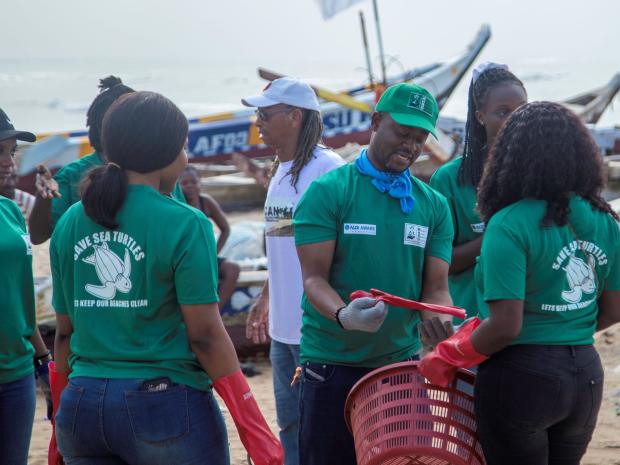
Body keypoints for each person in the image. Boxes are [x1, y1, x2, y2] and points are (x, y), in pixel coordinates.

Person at [48, 91, 282, 465]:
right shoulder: (186, 222)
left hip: (82, 406)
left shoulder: (72, 220)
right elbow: (205, 336)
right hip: (162, 407)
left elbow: (64, 332)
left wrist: (59, 422)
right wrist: (253, 428)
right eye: (185, 147)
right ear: (169, 152)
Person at [420, 101, 620, 465]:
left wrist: (448, 354)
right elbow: (613, 309)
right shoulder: (605, 220)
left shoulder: (509, 224)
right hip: (585, 376)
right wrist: (563, 328)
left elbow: (505, 326)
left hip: (522, 378)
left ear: (511, 157)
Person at [292, 82, 455, 465]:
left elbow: (436, 288)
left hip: (400, 367)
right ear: (376, 121)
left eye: (419, 138)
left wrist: (436, 317)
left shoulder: (433, 205)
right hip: (331, 365)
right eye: (402, 133)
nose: (411, 146)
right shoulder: (330, 191)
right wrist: (343, 316)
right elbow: (314, 279)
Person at [242, 77, 344, 465]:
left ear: (295, 116)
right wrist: (266, 297)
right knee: (290, 427)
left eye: (265, 114)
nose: (258, 121)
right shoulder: (280, 171)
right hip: (282, 330)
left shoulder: (327, 169)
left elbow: (341, 253)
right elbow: (282, 246)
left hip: (314, 331)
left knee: (320, 428)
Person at [28, 76, 186, 244]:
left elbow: (182, 228)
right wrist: (43, 200)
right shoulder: (71, 175)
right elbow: (38, 236)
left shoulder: (160, 170)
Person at [429, 63, 527, 320]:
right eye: (502, 112)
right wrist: (496, 235)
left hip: (531, 323)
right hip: (471, 320)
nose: (514, 121)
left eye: (522, 111)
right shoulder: (449, 179)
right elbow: (438, 264)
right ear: (480, 116)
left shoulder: (541, 175)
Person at [0, 108, 53, 465]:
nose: (9, 161)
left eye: (11, 151)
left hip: (17, 373)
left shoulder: (10, 211)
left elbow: (20, 293)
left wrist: (43, 359)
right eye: (0, 151)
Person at [179, 164, 241, 310]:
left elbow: (225, 229)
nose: (190, 186)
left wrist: (214, 252)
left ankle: (216, 313)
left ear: (200, 183)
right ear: (178, 185)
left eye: (193, 182)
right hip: (184, 258)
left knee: (233, 269)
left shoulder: (205, 202)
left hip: (206, 256)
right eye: (184, 183)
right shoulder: (177, 204)